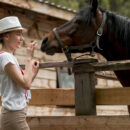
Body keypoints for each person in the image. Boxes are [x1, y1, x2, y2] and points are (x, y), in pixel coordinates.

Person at [0, 16, 39, 130]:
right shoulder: (6, 58)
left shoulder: (8, 57)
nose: (22, 38)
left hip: (14, 114)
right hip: (14, 116)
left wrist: (33, 72)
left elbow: (23, 85)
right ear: (6, 36)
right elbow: (25, 84)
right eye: (18, 34)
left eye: (21, 34)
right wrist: (28, 58)